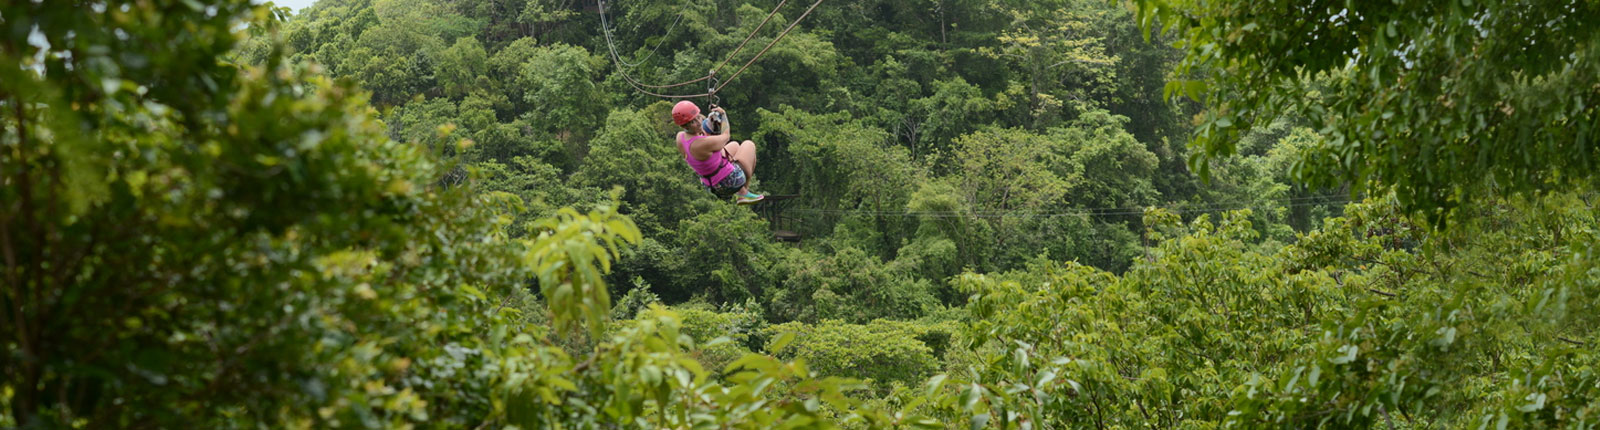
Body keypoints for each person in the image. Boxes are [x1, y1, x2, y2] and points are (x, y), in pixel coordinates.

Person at [671, 100, 764, 204]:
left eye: (698, 117)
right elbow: (726, 136)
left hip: (711, 184)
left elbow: (700, 138)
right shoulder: (701, 144)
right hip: (728, 183)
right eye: (693, 122)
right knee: (748, 144)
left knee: (735, 145)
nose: (698, 123)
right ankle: (743, 193)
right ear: (685, 126)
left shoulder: (680, 137)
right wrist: (723, 115)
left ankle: (741, 192)